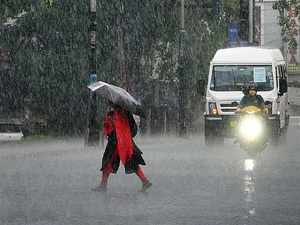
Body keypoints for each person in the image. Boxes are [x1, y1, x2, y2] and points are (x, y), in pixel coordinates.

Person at [92, 103, 152, 192]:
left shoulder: (115, 113)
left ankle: (103, 185)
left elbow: (110, 127)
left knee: (107, 161)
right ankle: (144, 181)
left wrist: (109, 122)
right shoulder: (126, 112)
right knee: (131, 161)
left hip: (116, 141)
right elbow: (131, 128)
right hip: (125, 141)